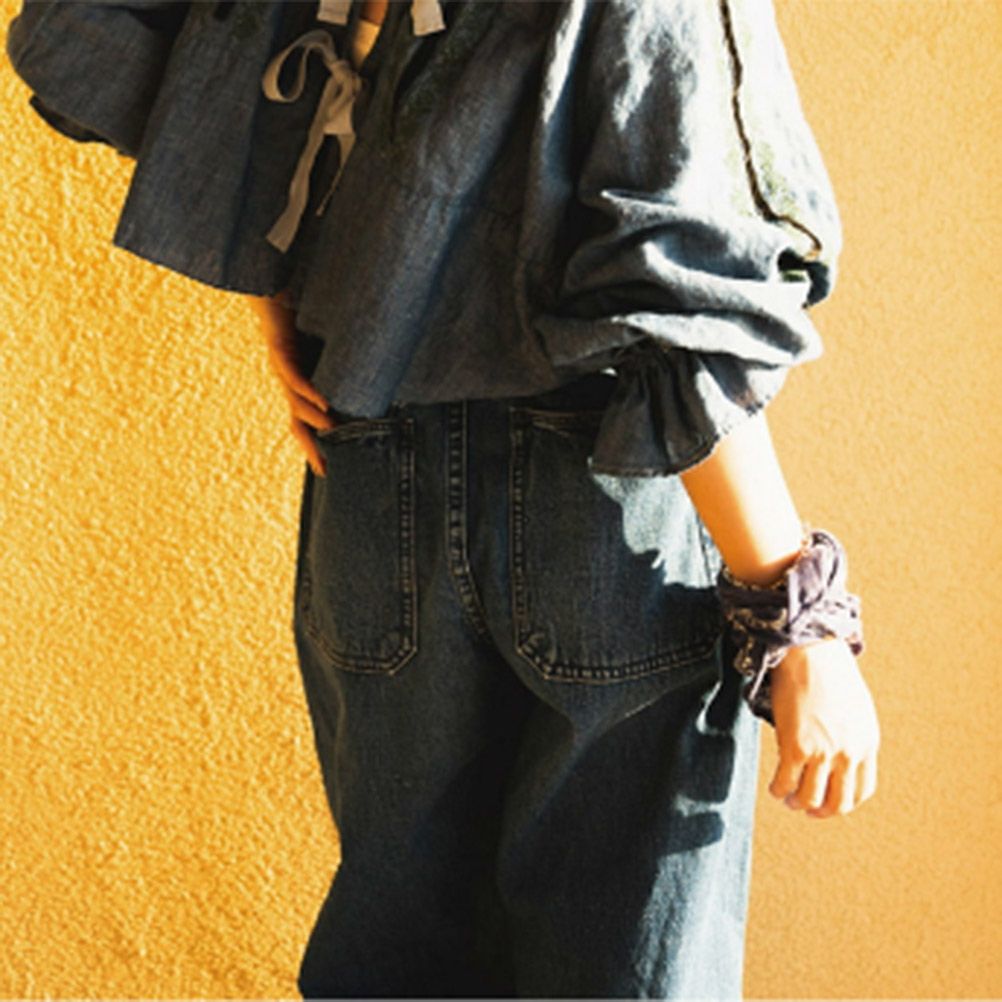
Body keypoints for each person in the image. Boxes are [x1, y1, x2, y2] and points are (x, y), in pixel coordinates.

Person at [6, 0, 880, 997]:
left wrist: (293, 282)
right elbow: (680, 289)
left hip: (372, 477)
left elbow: (91, 28)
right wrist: (797, 616)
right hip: (593, 492)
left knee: (398, 957)